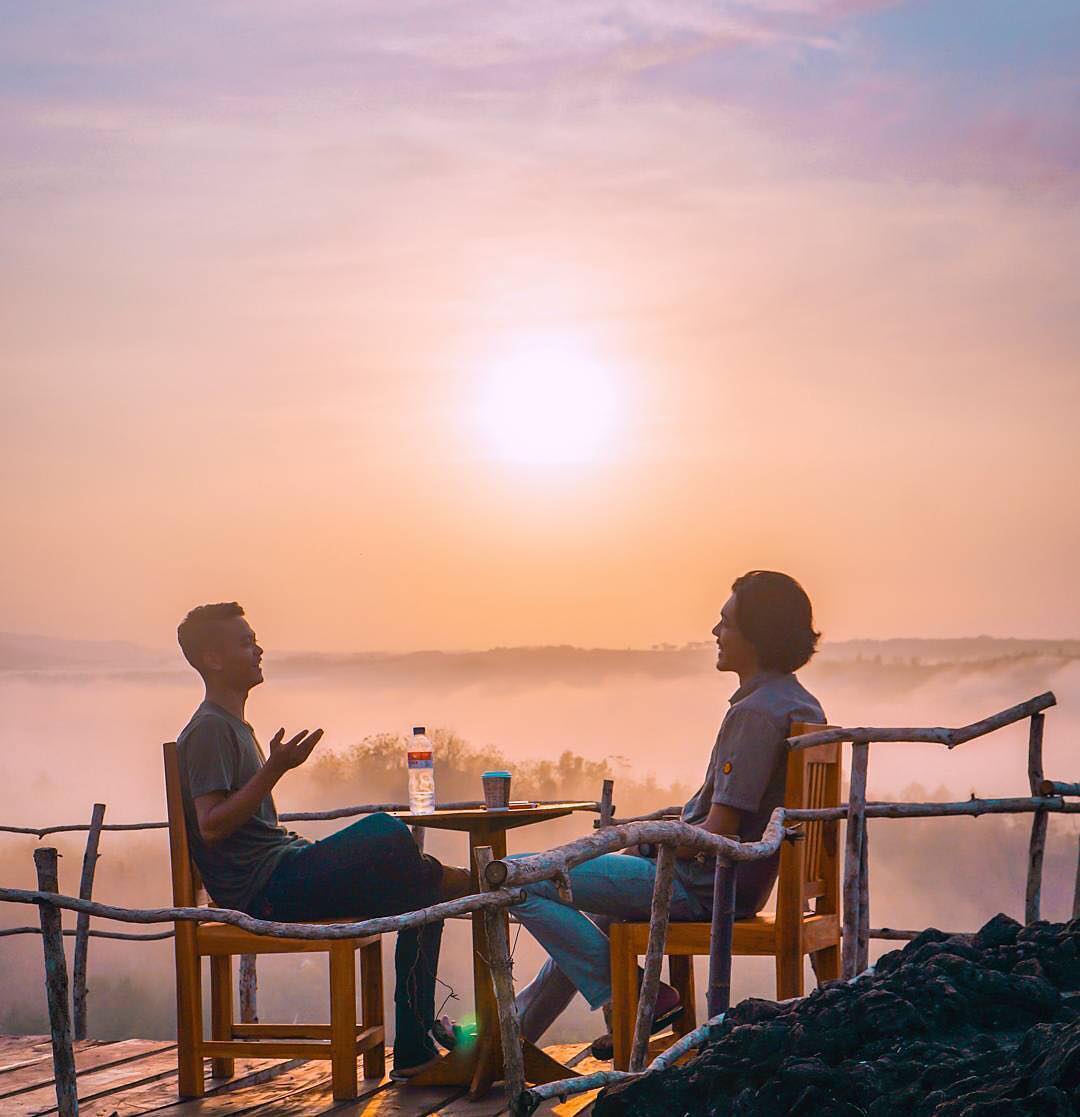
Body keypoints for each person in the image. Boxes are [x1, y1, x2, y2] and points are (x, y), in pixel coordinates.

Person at [512, 570, 825, 1054]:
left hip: (705, 889)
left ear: (758, 636)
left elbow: (720, 831)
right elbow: (729, 813)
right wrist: (654, 825)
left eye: (726, 623)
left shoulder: (755, 714)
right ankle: (506, 1039)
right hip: (736, 884)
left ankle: (639, 995)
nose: (715, 633)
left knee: (521, 875)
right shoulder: (798, 703)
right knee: (594, 911)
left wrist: (644, 839)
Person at [174, 602, 471, 1079]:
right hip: (265, 892)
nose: (259, 649)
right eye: (245, 642)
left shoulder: (233, 725)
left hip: (285, 871)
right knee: (386, 829)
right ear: (212, 659)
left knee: (426, 898)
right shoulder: (209, 728)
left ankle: (413, 1053)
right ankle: (460, 880)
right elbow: (211, 825)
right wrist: (274, 770)